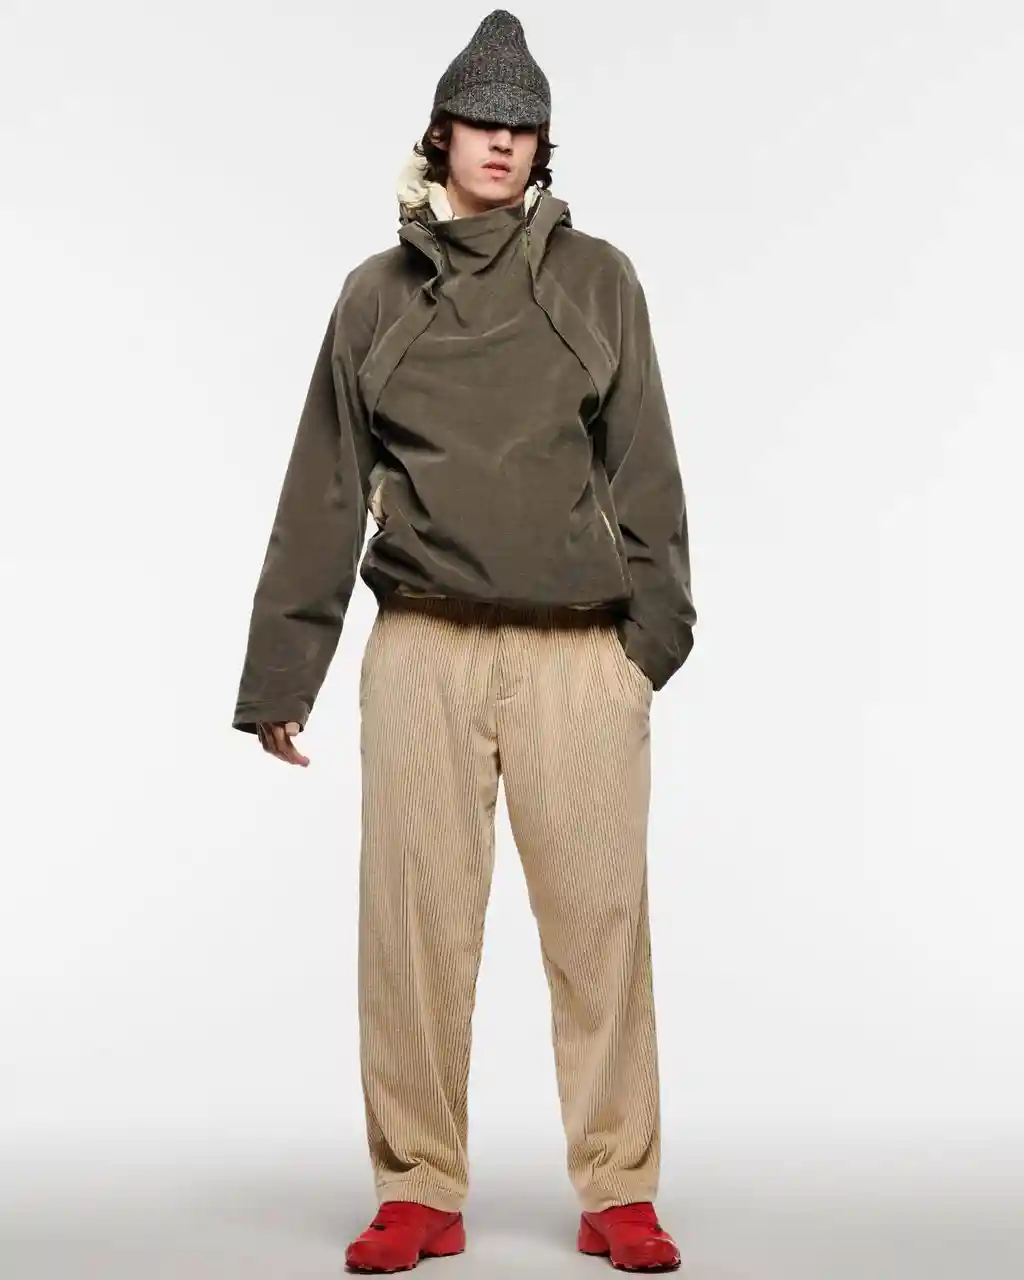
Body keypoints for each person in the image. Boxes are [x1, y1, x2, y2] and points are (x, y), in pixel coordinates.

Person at [231, 9, 696, 1273]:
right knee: (414, 927)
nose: (502, 140)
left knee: (600, 924)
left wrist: (648, 644)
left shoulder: (597, 280)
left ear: (543, 145)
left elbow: (644, 463)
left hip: (578, 654)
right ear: (441, 133)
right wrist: (284, 672)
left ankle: (618, 1185)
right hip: (422, 647)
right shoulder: (375, 297)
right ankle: (418, 1185)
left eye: (522, 125)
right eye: (481, 120)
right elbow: (326, 483)